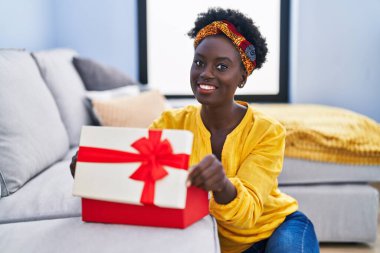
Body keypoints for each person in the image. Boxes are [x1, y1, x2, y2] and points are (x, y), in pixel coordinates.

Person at [71, 7, 320, 253]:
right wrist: (92, 171)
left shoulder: (268, 132)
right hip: (219, 241)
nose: (205, 74)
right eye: (199, 63)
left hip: (276, 226)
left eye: (221, 67)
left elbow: (248, 215)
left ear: (242, 77)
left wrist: (222, 185)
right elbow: (137, 177)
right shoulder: (170, 123)